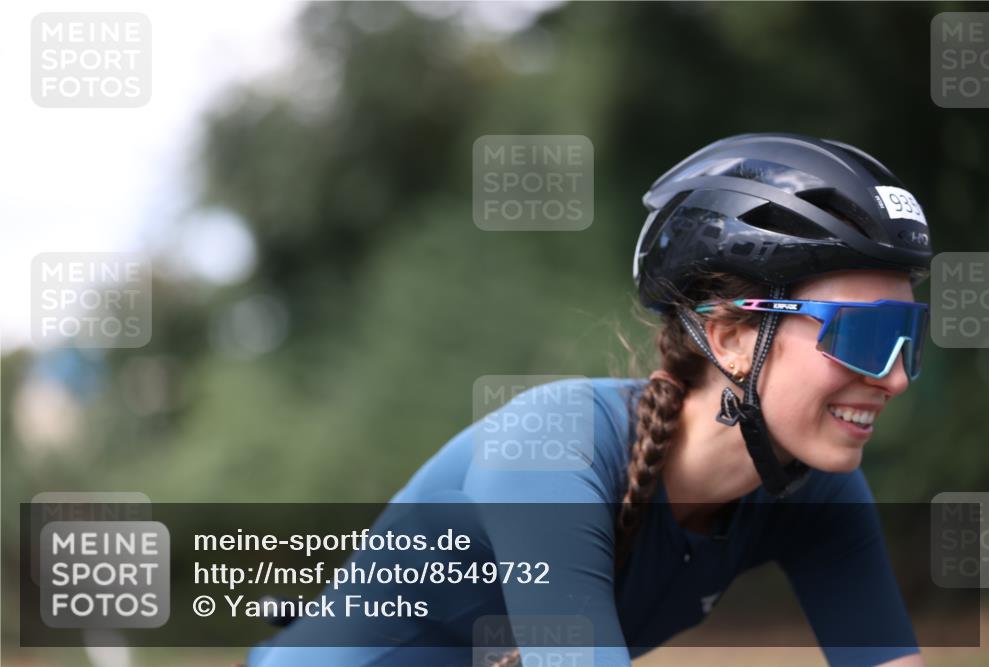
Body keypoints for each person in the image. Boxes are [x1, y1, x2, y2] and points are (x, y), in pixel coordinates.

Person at [246, 132, 932, 667]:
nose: (896, 378)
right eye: (864, 335)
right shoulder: (552, 452)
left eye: (908, 336)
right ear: (729, 335)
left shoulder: (813, 490)